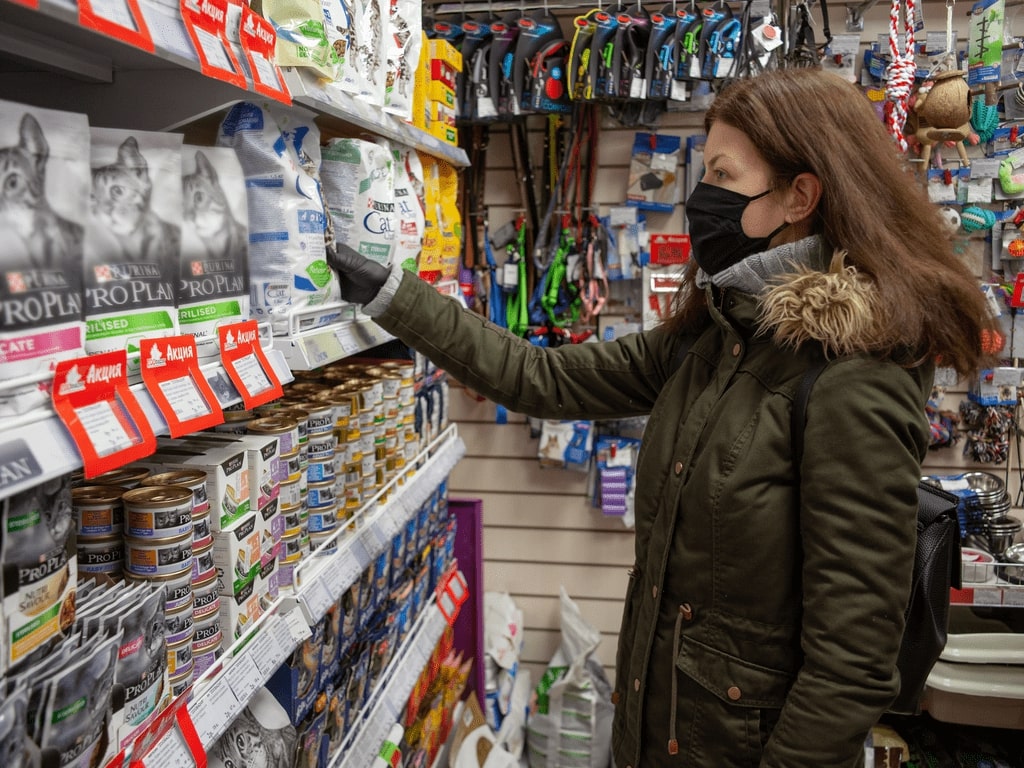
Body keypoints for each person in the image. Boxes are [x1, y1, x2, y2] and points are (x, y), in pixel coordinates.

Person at [329, 67, 996, 767]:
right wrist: (390, 293)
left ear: (800, 196)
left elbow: (853, 663)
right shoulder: (718, 334)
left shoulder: (853, 374)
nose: (698, 198)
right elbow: (542, 378)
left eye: (720, 174)